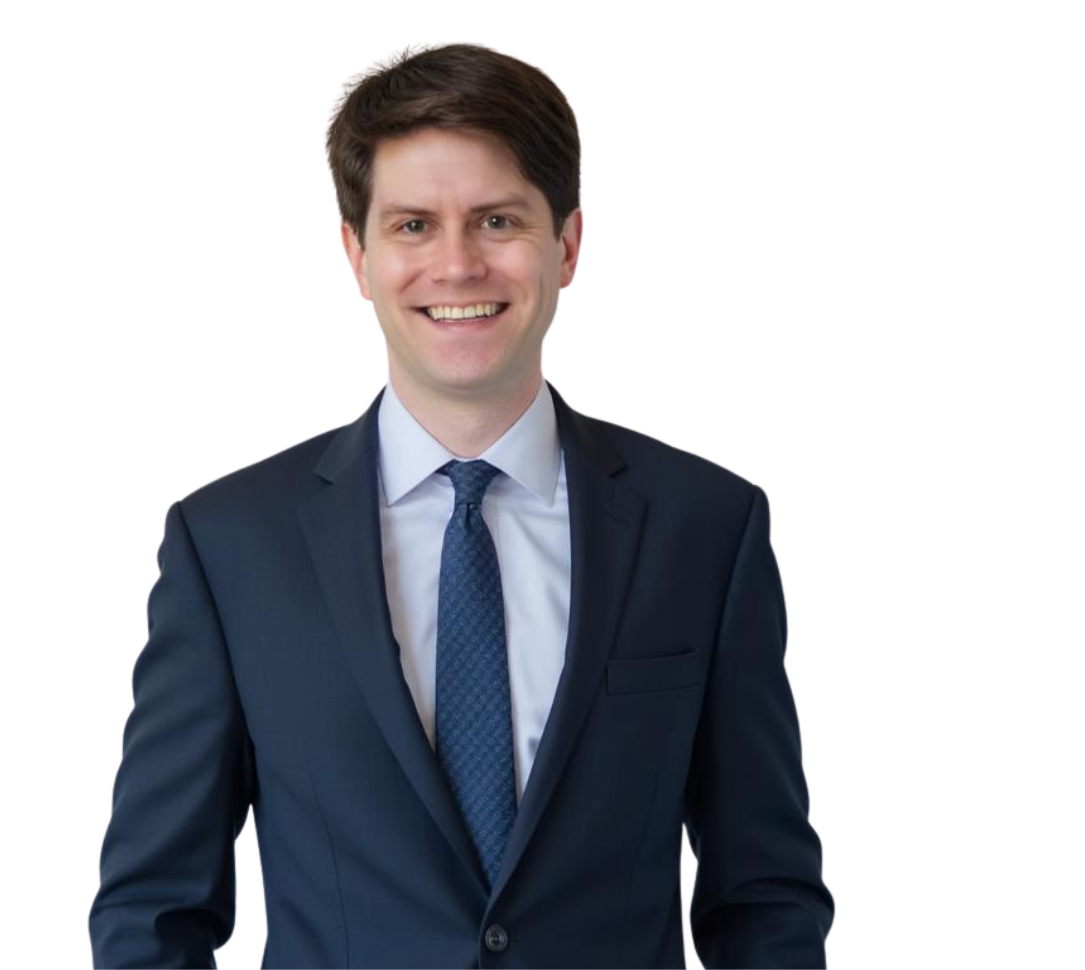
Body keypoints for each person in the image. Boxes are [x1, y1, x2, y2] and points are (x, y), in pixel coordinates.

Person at [88, 42, 834, 969]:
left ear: (567, 245)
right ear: (354, 254)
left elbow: (764, 896)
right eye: (411, 226)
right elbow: (155, 910)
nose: (457, 265)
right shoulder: (228, 542)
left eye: (496, 219)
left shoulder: (709, 525)